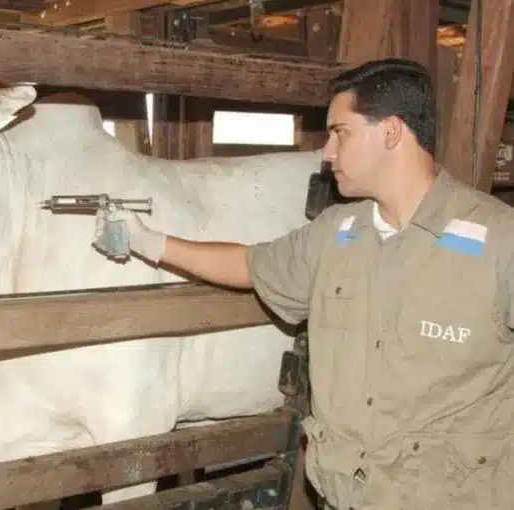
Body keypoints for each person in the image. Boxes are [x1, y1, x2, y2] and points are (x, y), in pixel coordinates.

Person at [91, 58, 514, 509]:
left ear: (391, 132)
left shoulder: (499, 241)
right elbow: (250, 264)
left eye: (340, 133)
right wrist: (149, 241)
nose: (327, 152)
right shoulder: (335, 233)